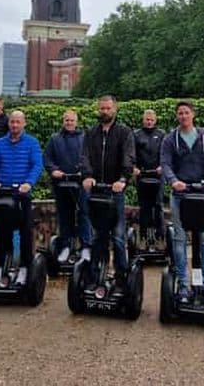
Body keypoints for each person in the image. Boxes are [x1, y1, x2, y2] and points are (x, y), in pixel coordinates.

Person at [160, 101, 204, 306]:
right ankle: (184, 285)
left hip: (202, 195)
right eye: (180, 113)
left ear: (193, 115)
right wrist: (173, 181)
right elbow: (165, 163)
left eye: (186, 112)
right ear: (177, 116)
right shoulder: (170, 139)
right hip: (180, 195)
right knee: (179, 239)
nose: (183, 116)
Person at [80, 95, 135, 290]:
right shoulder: (91, 133)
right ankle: (95, 277)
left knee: (118, 237)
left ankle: (121, 278)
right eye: (102, 108)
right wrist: (87, 176)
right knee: (98, 237)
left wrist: (122, 179)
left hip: (115, 192)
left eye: (108, 108)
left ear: (115, 110)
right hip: (95, 192)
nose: (105, 111)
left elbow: (129, 158)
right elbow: (84, 156)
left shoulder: (124, 132)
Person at [0, 110, 43, 286]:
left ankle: (24, 268)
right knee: (2, 233)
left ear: (24, 123)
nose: (14, 125)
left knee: (25, 233)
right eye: (12, 122)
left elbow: (37, 165)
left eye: (18, 122)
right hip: (2, 194)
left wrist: (29, 183)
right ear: (8, 124)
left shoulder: (32, 143)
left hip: (21, 195)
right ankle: (1, 267)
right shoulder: (0, 143)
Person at [44, 109, 91, 263]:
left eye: (72, 120)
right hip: (62, 183)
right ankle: (66, 246)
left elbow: (90, 159)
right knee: (65, 216)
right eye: (66, 120)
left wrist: (84, 171)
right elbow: (47, 159)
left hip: (81, 183)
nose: (69, 123)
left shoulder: (85, 138)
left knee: (84, 214)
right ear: (63, 121)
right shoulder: (55, 139)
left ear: (76, 122)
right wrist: (53, 170)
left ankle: (85, 247)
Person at [132, 109, 166, 239]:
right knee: (144, 206)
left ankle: (160, 236)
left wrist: (162, 166)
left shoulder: (161, 134)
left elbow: (165, 153)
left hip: (158, 174)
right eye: (147, 119)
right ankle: (143, 236)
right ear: (143, 119)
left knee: (158, 204)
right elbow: (132, 154)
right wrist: (134, 168)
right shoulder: (136, 135)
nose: (149, 122)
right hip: (142, 174)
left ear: (155, 120)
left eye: (152, 120)